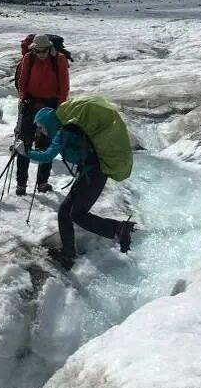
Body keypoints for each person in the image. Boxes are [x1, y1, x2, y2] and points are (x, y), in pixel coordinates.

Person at [15, 97, 134, 271]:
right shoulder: (64, 131)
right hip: (91, 174)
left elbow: (48, 155)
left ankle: (118, 229)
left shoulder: (64, 131)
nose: (42, 131)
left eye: (42, 126)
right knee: (65, 212)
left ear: (48, 122)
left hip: (93, 174)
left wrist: (25, 152)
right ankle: (68, 255)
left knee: (77, 214)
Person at [14, 34, 70, 196]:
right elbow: (22, 82)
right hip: (30, 104)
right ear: (33, 49)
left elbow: (64, 85)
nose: (41, 54)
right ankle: (21, 183)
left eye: (44, 50)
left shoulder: (59, 59)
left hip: (51, 106)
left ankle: (42, 182)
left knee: (45, 145)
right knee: (24, 143)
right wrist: (22, 98)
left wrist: (60, 107)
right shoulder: (28, 58)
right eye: (38, 51)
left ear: (49, 48)